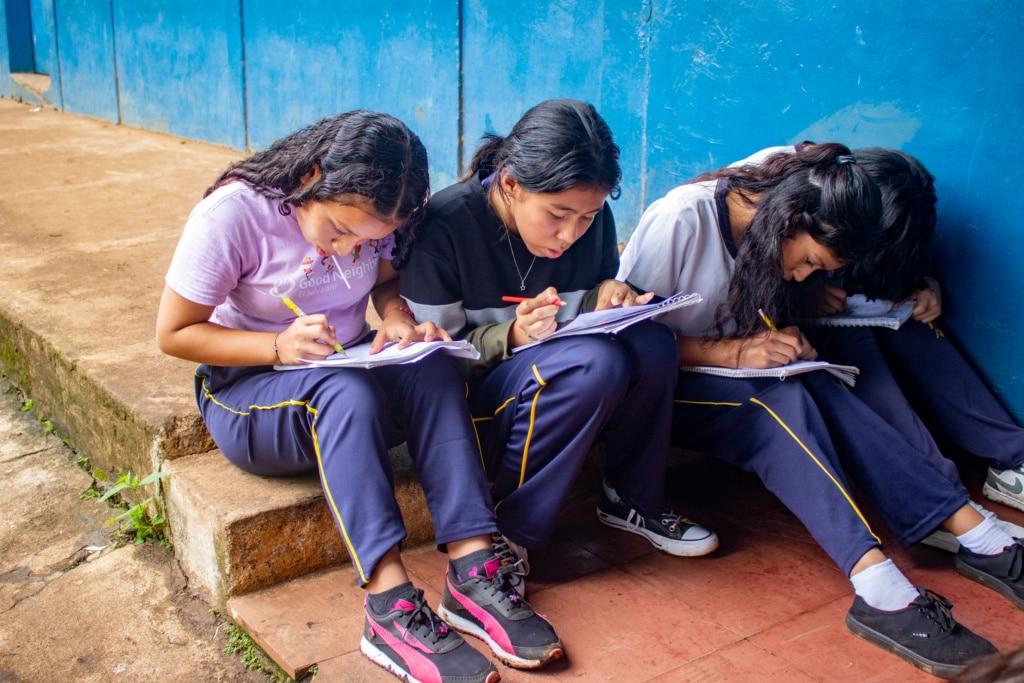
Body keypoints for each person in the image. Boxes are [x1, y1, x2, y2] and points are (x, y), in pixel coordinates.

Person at [156, 111, 562, 683]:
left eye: (366, 241)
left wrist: (396, 319)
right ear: (311, 177)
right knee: (344, 392)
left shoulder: (380, 217)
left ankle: (472, 571)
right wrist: (276, 346)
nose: (348, 251)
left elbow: (386, 282)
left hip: (346, 367)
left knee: (434, 363)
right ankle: (388, 607)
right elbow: (173, 333)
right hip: (249, 393)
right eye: (338, 232)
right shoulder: (233, 215)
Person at [618, 142, 1017, 676]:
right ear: (788, 219)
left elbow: (768, 305)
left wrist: (787, 322)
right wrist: (734, 352)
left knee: (815, 378)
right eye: (807, 261)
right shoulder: (682, 218)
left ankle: (974, 532)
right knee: (780, 395)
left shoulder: (804, 196)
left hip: (741, 369)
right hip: (667, 389)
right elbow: (628, 346)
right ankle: (880, 585)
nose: (805, 273)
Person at [399, 99, 718, 600]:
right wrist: (512, 336)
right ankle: (509, 528)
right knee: (596, 363)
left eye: (587, 217)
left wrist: (605, 295)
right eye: (558, 214)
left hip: (558, 372)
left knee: (653, 340)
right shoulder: (444, 226)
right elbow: (430, 359)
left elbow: (582, 303)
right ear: (510, 184)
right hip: (478, 400)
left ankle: (631, 498)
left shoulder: (592, 222)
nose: (572, 234)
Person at [736, 145, 1024, 553]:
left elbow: (882, 273)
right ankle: (945, 499)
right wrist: (800, 298)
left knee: (909, 319)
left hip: (842, 309)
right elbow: (732, 298)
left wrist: (923, 288)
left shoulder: (866, 189)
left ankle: (1012, 459)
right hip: (782, 331)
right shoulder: (783, 195)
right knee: (857, 351)